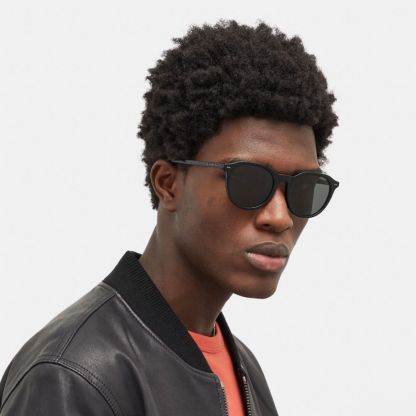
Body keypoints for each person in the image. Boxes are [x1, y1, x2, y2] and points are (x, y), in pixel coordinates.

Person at [0, 19, 339, 416]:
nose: (280, 217)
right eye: (248, 182)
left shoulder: (244, 369)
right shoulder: (72, 377)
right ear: (168, 184)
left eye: (303, 188)